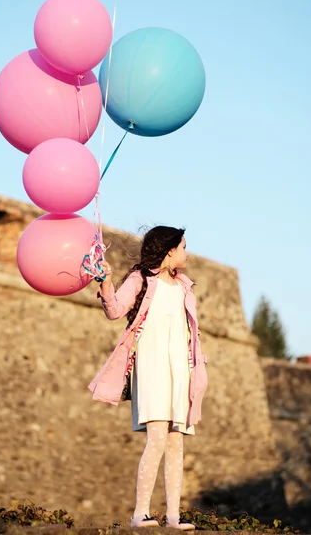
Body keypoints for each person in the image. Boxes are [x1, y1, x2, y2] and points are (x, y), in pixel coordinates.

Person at [88, 226, 208, 530]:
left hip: (179, 370)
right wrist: (106, 282)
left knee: (175, 443)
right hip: (152, 367)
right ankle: (140, 514)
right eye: (182, 247)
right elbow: (115, 310)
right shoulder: (141, 279)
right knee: (156, 439)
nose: (187, 253)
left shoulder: (185, 287)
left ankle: (172, 518)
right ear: (168, 252)